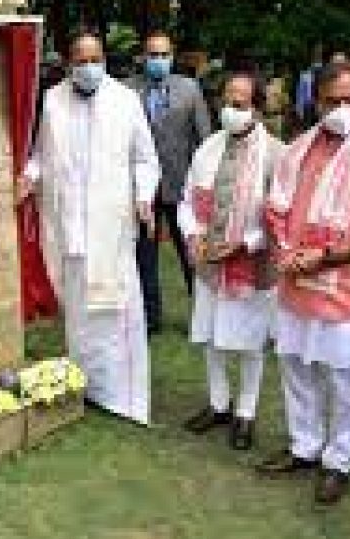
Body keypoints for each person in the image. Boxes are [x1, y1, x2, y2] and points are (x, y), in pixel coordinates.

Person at [255, 60, 350, 505]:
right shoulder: (297, 150)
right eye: (333, 101)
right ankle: (304, 446)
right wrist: (286, 250)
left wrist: (323, 257)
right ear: (316, 101)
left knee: (342, 381)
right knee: (296, 369)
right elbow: (276, 209)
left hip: (345, 291)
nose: (344, 108)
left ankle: (338, 461)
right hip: (294, 284)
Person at [19, 28, 161, 424]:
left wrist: (143, 197)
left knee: (117, 311)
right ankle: (89, 386)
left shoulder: (125, 101)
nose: (89, 68)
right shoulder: (53, 102)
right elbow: (42, 156)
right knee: (80, 314)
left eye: (95, 60)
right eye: (81, 61)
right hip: (69, 228)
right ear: (66, 64)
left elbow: (145, 160)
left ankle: (123, 396)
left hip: (111, 227)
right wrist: (29, 177)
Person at [178, 72, 284, 450]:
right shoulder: (207, 148)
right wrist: (193, 234)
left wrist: (243, 244)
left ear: (256, 108)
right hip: (210, 264)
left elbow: (281, 217)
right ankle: (218, 404)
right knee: (212, 337)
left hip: (253, 265)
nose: (230, 111)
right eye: (226, 102)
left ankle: (246, 414)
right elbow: (187, 200)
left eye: (240, 104)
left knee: (251, 343)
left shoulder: (276, 155)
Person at [127, 31, 213, 334]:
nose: (158, 61)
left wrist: (203, 183)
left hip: (180, 186)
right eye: (153, 55)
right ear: (143, 57)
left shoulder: (189, 89)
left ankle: (203, 315)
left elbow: (204, 139)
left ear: (172, 57)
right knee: (143, 257)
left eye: (164, 55)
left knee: (191, 253)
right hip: (141, 191)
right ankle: (150, 321)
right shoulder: (127, 91)